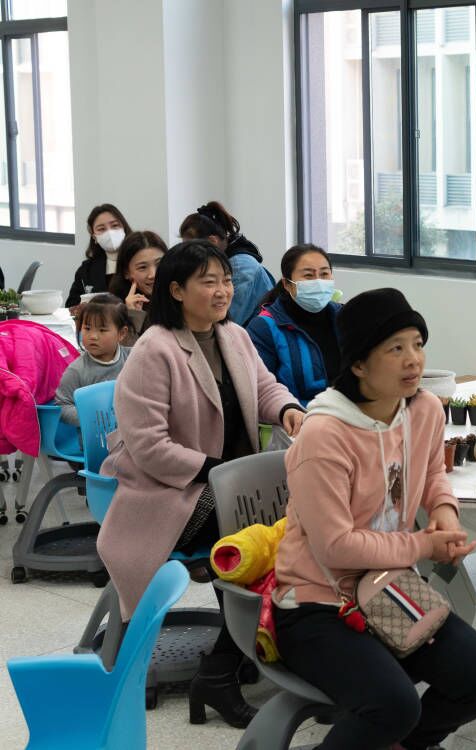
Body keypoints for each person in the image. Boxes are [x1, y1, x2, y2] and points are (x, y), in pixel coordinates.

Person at [273, 288, 476, 750]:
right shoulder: (323, 436)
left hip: (387, 588)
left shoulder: (423, 410)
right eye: (395, 348)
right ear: (359, 365)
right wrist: (423, 545)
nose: (413, 360)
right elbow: (336, 547)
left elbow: (433, 473)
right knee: (394, 705)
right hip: (317, 604)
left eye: (417, 344)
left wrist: (444, 513)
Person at [96, 240, 303, 729]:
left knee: (293, 525)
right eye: (208, 282)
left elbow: (264, 387)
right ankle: (226, 669)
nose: (223, 291)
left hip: (228, 485)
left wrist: (288, 410)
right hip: (169, 494)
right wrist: (221, 470)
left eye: (226, 281)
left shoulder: (234, 335)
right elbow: (149, 447)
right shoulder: (155, 350)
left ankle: (232, 662)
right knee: (254, 540)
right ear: (176, 290)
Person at [247, 244, 342, 407]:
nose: (319, 281)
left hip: (347, 412)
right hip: (296, 415)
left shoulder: (344, 317)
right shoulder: (264, 327)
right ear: (287, 284)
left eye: (324, 274)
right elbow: (261, 391)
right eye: (308, 275)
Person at [179, 201, 275, 325]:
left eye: (191, 248)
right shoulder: (226, 262)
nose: (188, 255)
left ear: (212, 242)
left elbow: (224, 322)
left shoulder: (241, 268)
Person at [54, 294, 132, 426]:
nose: (93, 336)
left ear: (122, 333)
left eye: (102, 330)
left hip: (131, 433)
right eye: (87, 328)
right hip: (95, 436)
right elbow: (61, 405)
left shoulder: (133, 359)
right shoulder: (77, 370)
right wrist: (91, 418)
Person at [66, 204, 133, 308]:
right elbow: (71, 305)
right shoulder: (86, 270)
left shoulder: (139, 263)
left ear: (124, 228)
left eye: (115, 225)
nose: (109, 232)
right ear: (94, 237)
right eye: (101, 229)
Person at [108, 230, 167, 345]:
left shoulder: (181, 297)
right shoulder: (115, 307)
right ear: (126, 273)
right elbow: (124, 354)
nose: (153, 274)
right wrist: (133, 317)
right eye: (142, 267)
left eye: (159, 264)